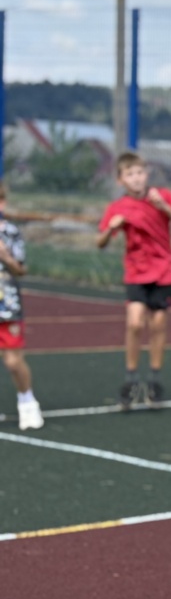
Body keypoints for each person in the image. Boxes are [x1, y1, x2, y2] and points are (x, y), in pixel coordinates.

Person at [97, 152, 171, 409]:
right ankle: (131, 379)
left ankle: (155, 380)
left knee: (158, 324)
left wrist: (165, 208)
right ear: (120, 180)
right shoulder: (117, 207)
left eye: (140, 172)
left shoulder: (163, 196)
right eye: (130, 174)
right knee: (135, 322)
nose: (136, 178)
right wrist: (111, 228)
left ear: (147, 174)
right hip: (136, 272)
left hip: (163, 270)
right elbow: (100, 242)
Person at [0, 182, 44, 430]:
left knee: (13, 361)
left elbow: (21, 269)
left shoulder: (11, 232)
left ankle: (27, 401)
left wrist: (5, 256)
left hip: (7, 305)